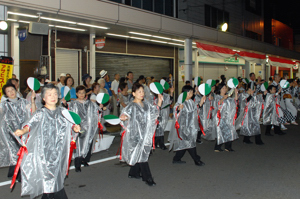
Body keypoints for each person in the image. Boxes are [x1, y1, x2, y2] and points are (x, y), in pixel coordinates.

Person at [14, 84, 81, 199]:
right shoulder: (41, 113)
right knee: (50, 178)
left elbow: (72, 125)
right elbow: (30, 124)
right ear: (44, 98)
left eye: (55, 94)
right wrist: (23, 130)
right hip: (44, 152)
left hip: (60, 151)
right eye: (49, 94)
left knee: (56, 177)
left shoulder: (63, 111)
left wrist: (75, 128)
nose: (53, 97)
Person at [119, 83, 163, 186]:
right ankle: (148, 178)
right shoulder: (131, 105)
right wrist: (124, 117)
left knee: (140, 154)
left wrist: (159, 102)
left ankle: (133, 173)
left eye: (143, 91)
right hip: (135, 135)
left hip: (145, 134)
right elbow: (124, 114)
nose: (142, 93)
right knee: (143, 157)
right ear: (133, 93)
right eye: (139, 92)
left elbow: (154, 113)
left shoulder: (146, 104)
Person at [0, 83, 36, 182]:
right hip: (9, 133)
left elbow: (33, 112)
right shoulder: (3, 104)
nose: (11, 92)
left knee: (21, 152)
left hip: (22, 131)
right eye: (8, 91)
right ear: (5, 94)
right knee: (15, 152)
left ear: (16, 90)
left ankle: (13, 172)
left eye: (12, 90)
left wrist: (32, 100)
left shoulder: (24, 102)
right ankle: (19, 175)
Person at [63, 86, 102, 172]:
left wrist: (101, 107)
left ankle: (85, 160)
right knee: (79, 145)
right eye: (80, 93)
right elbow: (68, 110)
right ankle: (77, 164)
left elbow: (97, 110)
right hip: (79, 127)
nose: (81, 94)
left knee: (88, 142)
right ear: (76, 94)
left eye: (83, 93)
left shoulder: (89, 103)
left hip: (89, 127)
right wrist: (65, 104)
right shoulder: (73, 103)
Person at [168, 85, 206, 166]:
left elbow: (196, 110)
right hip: (183, 128)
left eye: (192, 92)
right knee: (190, 144)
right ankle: (196, 160)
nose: (191, 94)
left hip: (192, 127)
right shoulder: (180, 102)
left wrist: (201, 103)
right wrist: (179, 109)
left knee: (185, 144)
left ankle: (176, 158)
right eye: (189, 92)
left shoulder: (191, 102)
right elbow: (175, 112)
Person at [214, 83, 239, 152]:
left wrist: (236, 93)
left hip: (228, 117)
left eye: (225, 88)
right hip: (220, 117)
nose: (225, 89)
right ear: (220, 89)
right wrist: (223, 98)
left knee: (230, 131)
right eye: (223, 88)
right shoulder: (217, 96)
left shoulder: (228, 97)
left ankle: (228, 147)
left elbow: (235, 101)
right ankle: (217, 147)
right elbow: (217, 104)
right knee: (221, 132)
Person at [155, 86, 174, 150]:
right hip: (157, 114)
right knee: (159, 129)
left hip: (165, 114)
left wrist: (171, 93)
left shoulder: (165, 95)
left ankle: (156, 143)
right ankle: (161, 144)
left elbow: (170, 101)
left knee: (161, 129)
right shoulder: (154, 97)